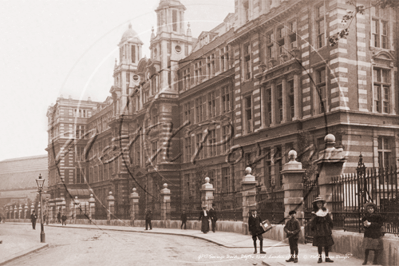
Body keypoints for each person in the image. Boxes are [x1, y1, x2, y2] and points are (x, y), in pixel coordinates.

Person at [311, 196, 334, 263]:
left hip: (326, 229)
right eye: (318, 203)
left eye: (320, 203)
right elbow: (312, 222)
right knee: (319, 244)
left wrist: (330, 225)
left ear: (322, 204)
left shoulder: (325, 211)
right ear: (316, 204)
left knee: (327, 244)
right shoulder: (314, 212)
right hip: (319, 230)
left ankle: (327, 257)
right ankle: (320, 258)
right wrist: (314, 228)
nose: (319, 204)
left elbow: (329, 220)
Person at [361, 201, 384, 265]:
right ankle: (365, 260)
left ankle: (375, 260)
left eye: (371, 208)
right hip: (368, 233)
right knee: (367, 248)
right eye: (368, 209)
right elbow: (363, 224)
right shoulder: (365, 217)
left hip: (375, 233)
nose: (370, 210)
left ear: (374, 209)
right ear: (367, 210)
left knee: (375, 248)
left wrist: (371, 224)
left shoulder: (378, 216)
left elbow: (380, 224)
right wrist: (365, 225)